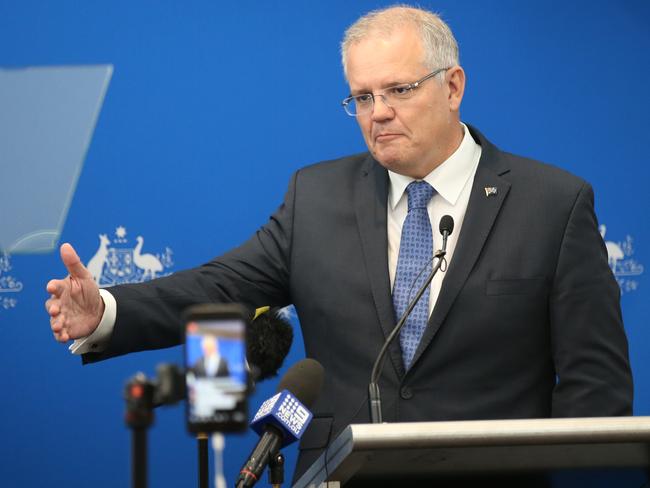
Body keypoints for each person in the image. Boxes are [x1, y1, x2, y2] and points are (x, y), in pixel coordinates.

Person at [46, 5, 632, 484]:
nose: (379, 114)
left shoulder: (552, 203)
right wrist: (106, 312)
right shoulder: (316, 196)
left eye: (398, 90)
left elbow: (595, 389)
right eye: (363, 97)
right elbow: (218, 285)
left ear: (453, 86)